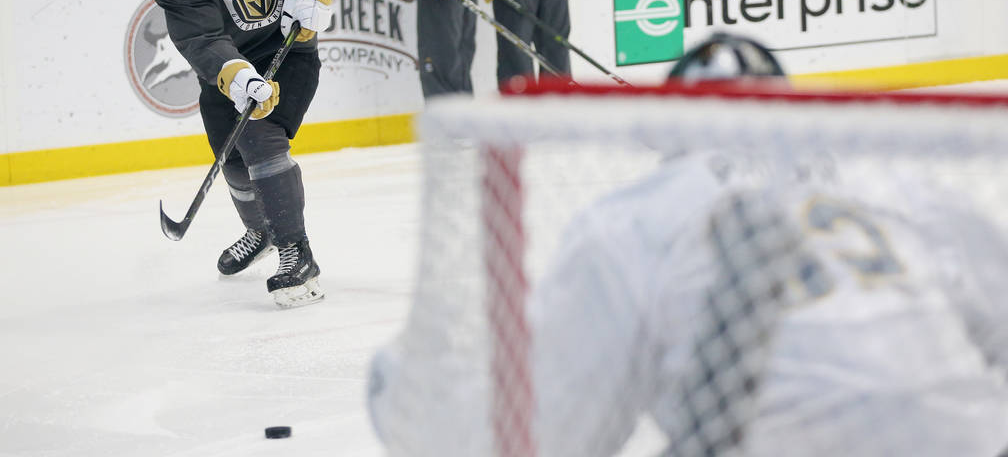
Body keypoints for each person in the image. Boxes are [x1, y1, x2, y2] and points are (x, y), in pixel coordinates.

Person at [367, 34, 1008, 455]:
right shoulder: (893, 182)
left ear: (675, 131)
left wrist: (407, 399)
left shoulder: (638, 219)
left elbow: (550, 436)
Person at [147, 0, 346, 308]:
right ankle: (262, 231)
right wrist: (236, 78)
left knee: (259, 138)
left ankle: (298, 253)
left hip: (286, 50)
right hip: (229, 66)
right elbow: (200, 38)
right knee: (229, 155)